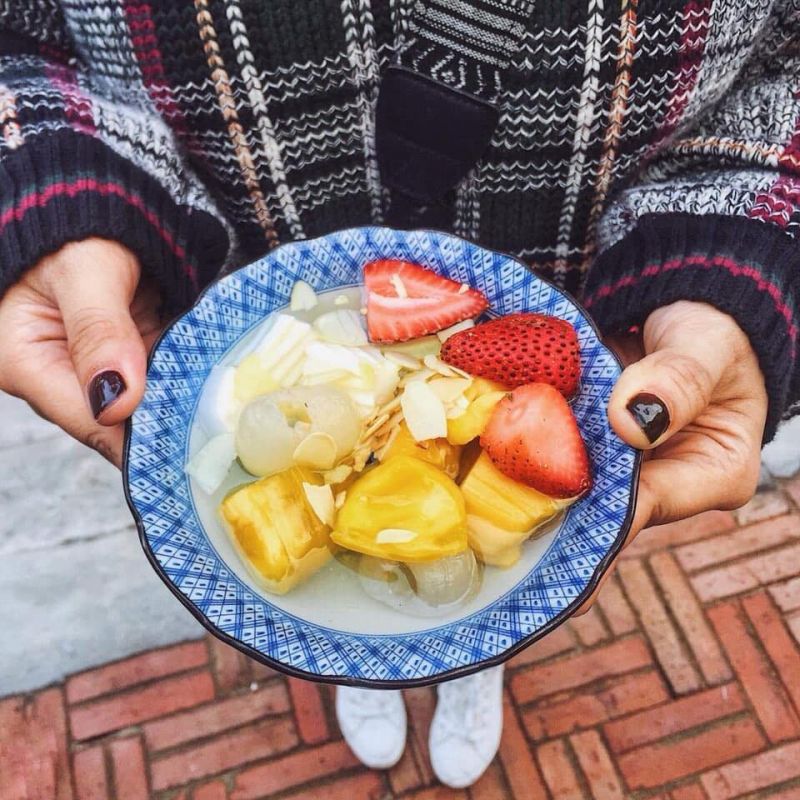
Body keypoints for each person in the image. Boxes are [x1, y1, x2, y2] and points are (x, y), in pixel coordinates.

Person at [0, 0, 795, 789]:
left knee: (480, 581)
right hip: (236, 273)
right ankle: (361, 653)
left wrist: (741, 258)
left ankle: (472, 660)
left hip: (561, 319)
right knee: (353, 592)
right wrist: (56, 189)